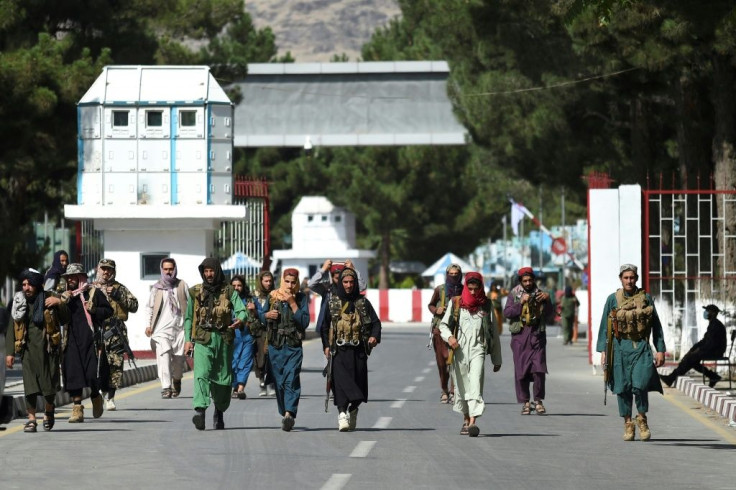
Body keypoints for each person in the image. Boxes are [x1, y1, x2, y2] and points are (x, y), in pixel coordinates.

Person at [597, 264, 665, 441]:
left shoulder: (646, 298)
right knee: (622, 387)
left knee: (640, 384)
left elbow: (656, 326)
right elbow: (605, 327)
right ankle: (628, 424)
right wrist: (604, 351)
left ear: (636, 278)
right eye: (626, 277)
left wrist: (660, 350)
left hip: (641, 346)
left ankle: (641, 419)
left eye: (632, 277)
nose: (629, 281)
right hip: (619, 348)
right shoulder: (612, 299)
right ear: (621, 278)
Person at [184, 258, 246, 430]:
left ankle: (219, 411)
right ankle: (200, 411)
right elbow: (189, 317)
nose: (209, 274)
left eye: (211, 271)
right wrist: (188, 340)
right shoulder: (196, 292)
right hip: (203, 339)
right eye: (206, 271)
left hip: (224, 340)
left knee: (222, 379)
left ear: (217, 271)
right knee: (201, 374)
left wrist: (240, 319)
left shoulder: (229, 290)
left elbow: (241, 309)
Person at [439, 272, 502, 437]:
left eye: (476, 288)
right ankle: (466, 419)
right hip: (459, 350)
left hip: (478, 349)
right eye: (470, 288)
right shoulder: (457, 303)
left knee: (475, 384)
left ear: (481, 287)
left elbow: (494, 333)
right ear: (466, 287)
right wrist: (450, 337)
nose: (473, 292)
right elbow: (443, 325)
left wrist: (497, 359)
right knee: (461, 387)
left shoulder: (486, 305)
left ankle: (473, 422)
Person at [5, 269, 67, 432]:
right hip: (27, 350)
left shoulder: (49, 298)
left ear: (38, 285)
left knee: (49, 385)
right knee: (30, 386)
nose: (26, 288)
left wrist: (59, 302)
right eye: (24, 284)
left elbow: (66, 319)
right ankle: (31, 419)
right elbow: (11, 328)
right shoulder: (18, 302)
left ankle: (48, 410)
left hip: (48, 350)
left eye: (30, 284)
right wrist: (10, 353)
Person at [320, 267, 381, 432]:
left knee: (359, 389)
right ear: (340, 283)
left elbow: (376, 323)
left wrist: (374, 337)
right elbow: (324, 327)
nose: (348, 285)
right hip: (338, 351)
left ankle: (353, 409)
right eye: (345, 282)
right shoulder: (332, 303)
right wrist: (326, 345)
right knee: (340, 385)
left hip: (358, 351)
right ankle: (342, 415)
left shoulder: (362, 303)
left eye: (351, 282)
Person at [60, 263, 114, 423]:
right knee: (74, 375)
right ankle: (77, 409)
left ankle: (95, 396)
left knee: (92, 375)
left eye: (73, 277)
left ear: (80, 278)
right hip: (71, 341)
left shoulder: (93, 293)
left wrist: (94, 310)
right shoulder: (65, 296)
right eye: (67, 277)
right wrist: (61, 302)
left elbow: (108, 311)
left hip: (91, 341)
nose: (70, 280)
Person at [262, 268, 309, 431]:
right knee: (279, 382)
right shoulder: (273, 296)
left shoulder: (301, 298)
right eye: (287, 281)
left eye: (293, 282)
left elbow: (304, 322)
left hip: (293, 346)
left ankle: (289, 413)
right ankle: (285, 412)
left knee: (291, 380)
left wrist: (292, 303)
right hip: (276, 346)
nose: (290, 285)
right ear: (282, 280)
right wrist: (267, 315)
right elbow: (261, 316)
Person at [503, 267, 553, 416]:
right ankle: (525, 402)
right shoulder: (514, 294)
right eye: (525, 281)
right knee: (521, 370)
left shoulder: (540, 293)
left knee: (539, 369)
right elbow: (507, 312)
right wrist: (520, 303)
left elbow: (550, 314)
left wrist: (548, 300)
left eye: (530, 280)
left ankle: (538, 401)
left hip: (537, 336)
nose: (528, 283)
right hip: (520, 337)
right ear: (520, 281)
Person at [94, 258, 138, 410]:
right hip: (97, 330)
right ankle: (98, 392)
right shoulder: (91, 288)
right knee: (98, 364)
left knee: (116, 363)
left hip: (115, 331)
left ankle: (110, 397)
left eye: (109, 269)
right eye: (103, 269)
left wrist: (118, 295)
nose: (106, 272)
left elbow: (134, 305)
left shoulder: (120, 288)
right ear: (98, 269)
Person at [145, 258, 189, 399]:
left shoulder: (182, 285)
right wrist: (148, 325)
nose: (168, 272)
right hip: (161, 330)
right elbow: (149, 308)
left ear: (175, 269)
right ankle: (166, 387)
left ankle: (177, 379)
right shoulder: (156, 288)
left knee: (178, 361)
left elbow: (191, 306)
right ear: (161, 270)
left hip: (180, 329)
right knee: (163, 358)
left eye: (171, 269)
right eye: (166, 269)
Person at [660, 304, 726, 388]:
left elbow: (710, 344)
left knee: (690, 359)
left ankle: (671, 378)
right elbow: (704, 340)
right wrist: (693, 349)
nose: (705, 313)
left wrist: (698, 351)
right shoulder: (712, 324)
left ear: (713, 313)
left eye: (707, 311)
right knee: (691, 360)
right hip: (711, 350)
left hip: (716, 352)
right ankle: (713, 376)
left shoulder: (716, 325)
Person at [427, 264, 463, 404]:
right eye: (451, 274)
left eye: (456, 274)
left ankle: (454, 390)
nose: (453, 276)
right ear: (447, 274)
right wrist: (437, 310)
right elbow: (430, 304)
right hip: (440, 331)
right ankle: (444, 390)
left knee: (456, 362)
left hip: (458, 330)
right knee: (442, 363)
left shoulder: (465, 290)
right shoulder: (440, 289)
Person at [308, 259, 367, 336]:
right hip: (330, 330)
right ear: (332, 277)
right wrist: (322, 270)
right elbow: (311, 284)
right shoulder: (327, 289)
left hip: (347, 328)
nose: (339, 281)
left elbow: (362, 286)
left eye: (341, 278)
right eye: (336, 278)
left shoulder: (349, 288)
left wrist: (353, 270)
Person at [230, 275, 255, 400]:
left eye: (239, 285)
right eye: (233, 286)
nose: (236, 288)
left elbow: (261, 314)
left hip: (248, 336)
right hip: (232, 337)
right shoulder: (227, 301)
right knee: (233, 363)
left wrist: (254, 310)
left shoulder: (250, 300)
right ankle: (234, 386)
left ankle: (240, 388)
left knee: (245, 363)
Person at [252, 271, 275, 397]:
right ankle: (261, 382)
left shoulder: (276, 294)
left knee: (271, 357)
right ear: (261, 281)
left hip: (272, 329)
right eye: (266, 281)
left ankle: (270, 383)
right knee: (260, 358)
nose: (268, 283)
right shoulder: (254, 295)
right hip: (259, 331)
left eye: (270, 281)